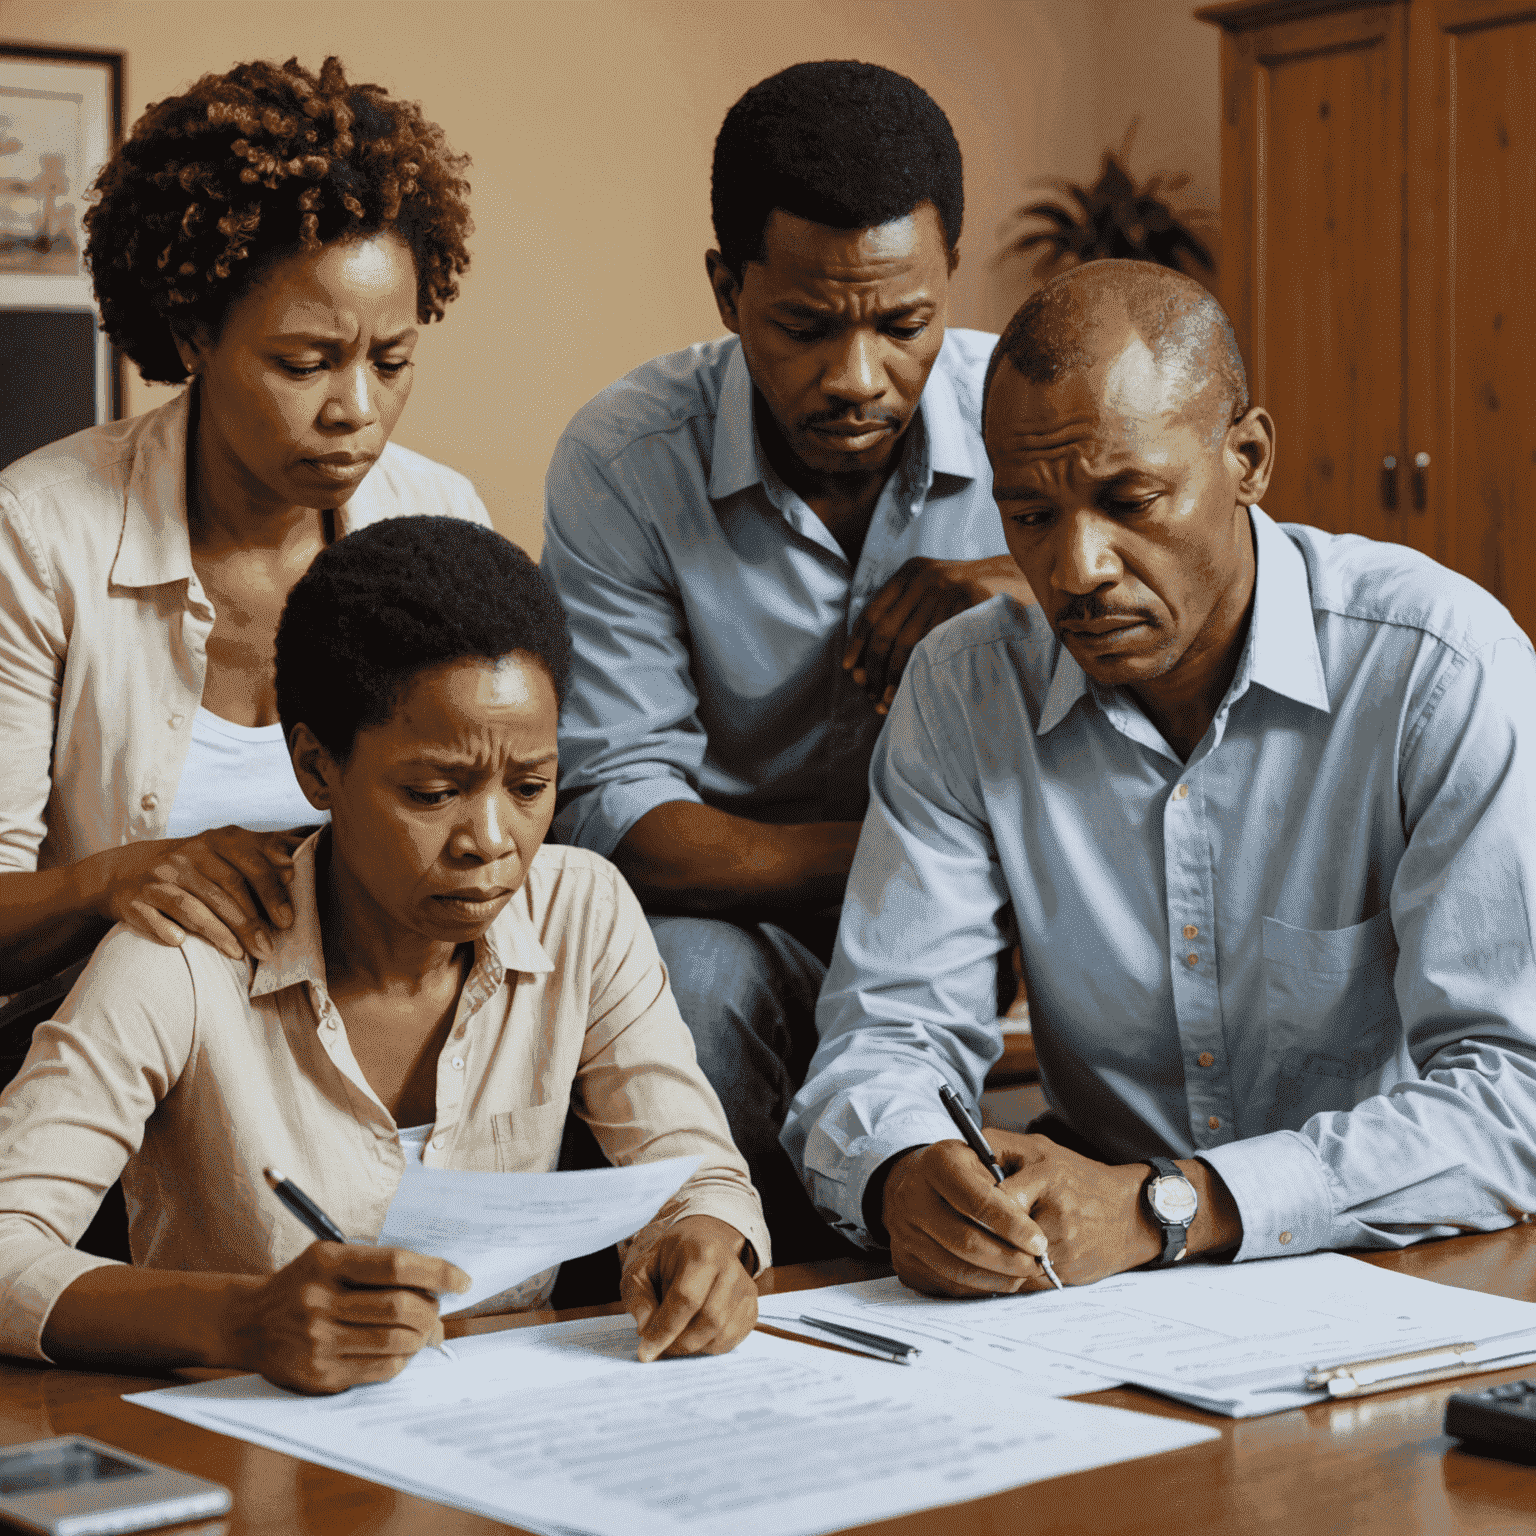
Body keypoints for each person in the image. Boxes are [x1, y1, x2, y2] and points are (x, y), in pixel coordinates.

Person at [782, 260, 1536, 1294]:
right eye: (1031, 517)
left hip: (1408, 1264)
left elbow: (1517, 1098)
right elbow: (886, 1034)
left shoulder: (1435, 669)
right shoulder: (964, 691)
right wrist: (906, 1169)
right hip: (1100, 1298)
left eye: (1129, 499)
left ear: (1250, 459)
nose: (1077, 569)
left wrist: (1170, 1203)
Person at [0, 517, 768, 1392]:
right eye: (433, 792)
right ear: (317, 769)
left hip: (518, 1440)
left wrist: (705, 1242)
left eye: (530, 787)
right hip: (261, 1453)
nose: (491, 841)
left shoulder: (579, 909)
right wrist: (243, 1322)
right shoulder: (186, 953)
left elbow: (697, 1173)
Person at [541, 61, 1032, 1257]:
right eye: (807, 326)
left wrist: (1026, 591)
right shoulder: (624, 461)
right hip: (737, 918)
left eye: (905, 325)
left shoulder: (1038, 431)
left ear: (949, 277)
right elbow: (629, 820)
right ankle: (729, 1296)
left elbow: (1184, 607)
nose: (858, 376)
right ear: (727, 287)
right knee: (684, 980)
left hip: (996, 923)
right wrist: (924, 857)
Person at [0, 56, 487, 1000]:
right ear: (192, 333)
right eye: (306, 363)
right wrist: (116, 880)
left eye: (391, 360)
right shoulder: (39, 535)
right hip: (108, 1039)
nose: (357, 409)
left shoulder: (438, 522)